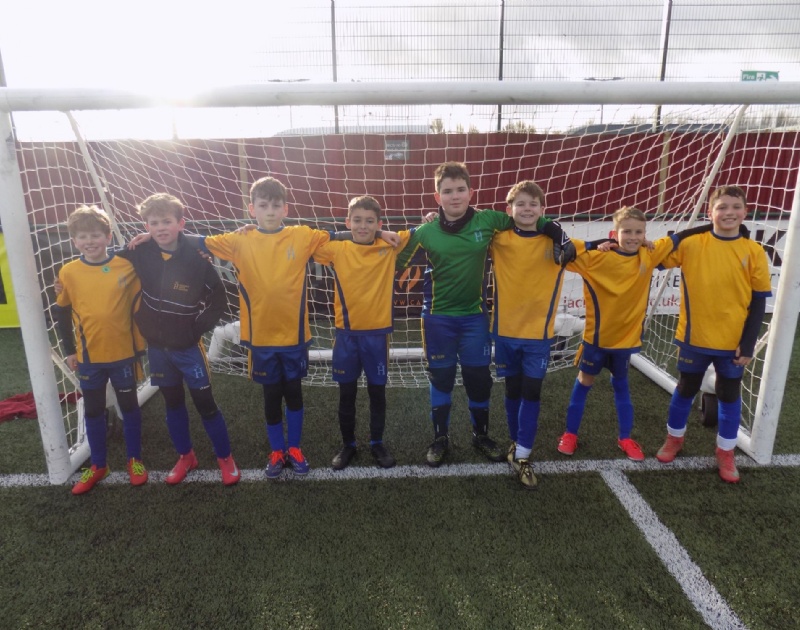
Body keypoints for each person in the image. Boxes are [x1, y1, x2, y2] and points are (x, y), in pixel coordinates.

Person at [201, 177, 396, 478]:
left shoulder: (302, 236)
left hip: (295, 337)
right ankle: (278, 450)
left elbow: (345, 232)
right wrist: (150, 237)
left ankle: (296, 448)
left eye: (275, 205)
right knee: (271, 396)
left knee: (294, 393)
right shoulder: (240, 240)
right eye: (263, 205)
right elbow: (197, 242)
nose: (270, 211)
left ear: (285, 208)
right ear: (252, 209)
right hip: (260, 340)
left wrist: (379, 231)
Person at [396, 161, 574, 467]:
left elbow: (529, 219)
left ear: (471, 192)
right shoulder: (425, 231)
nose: (455, 196)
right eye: (447, 191)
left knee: (479, 380)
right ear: (437, 197)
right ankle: (440, 438)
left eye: (460, 189)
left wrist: (559, 233)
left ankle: (481, 435)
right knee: (441, 379)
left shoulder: (489, 220)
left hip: (474, 319)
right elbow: (394, 259)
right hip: (438, 319)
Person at [655, 186, 771, 483]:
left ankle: (725, 451)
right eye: (721, 207)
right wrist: (685, 233)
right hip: (694, 338)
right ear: (710, 212)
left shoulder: (754, 251)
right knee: (685, 388)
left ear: (745, 212)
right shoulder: (693, 243)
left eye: (735, 207)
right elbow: (655, 258)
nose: (729, 212)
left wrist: (748, 343)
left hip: (732, 342)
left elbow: (759, 301)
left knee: (729, 394)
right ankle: (674, 438)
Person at [122, 193, 239, 486]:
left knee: (206, 404)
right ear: (146, 226)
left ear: (180, 223)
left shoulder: (196, 259)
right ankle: (186, 456)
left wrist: (195, 329)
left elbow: (219, 297)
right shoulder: (139, 251)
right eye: (154, 223)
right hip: (157, 349)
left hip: (188, 348)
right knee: (173, 404)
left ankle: (225, 458)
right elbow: (102, 260)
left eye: (166, 221)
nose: (160, 228)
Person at [556, 206, 688, 462]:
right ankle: (570, 434)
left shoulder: (649, 254)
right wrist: (593, 245)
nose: (633, 237)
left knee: (622, 387)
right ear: (614, 233)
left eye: (639, 232)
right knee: (584, 383)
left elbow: (678, 238)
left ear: (645, 234)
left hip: (625, 343)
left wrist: (716, 227)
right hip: (596, 340)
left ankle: (625, 438)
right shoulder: (596, 258)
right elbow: (564, 251)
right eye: (626, 231)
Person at [312, 195, 414, 470]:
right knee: (346, 394)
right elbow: (309, 241)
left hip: (377, 337)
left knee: (377, 393)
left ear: (379, 223)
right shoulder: (337, 249)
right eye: (357, 220)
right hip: (346, 336)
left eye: (370, 222)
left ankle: (377, 443)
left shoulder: (389, 245)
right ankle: (348, 445)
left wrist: (383, 235)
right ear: (347, 222)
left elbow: (420, 232)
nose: (363, 226)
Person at [54, 205, 147, 495]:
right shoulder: (68, 272)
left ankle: (135, 460)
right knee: (93, 410)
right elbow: (61, 312)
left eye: (95, 235)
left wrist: (145, 237)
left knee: (129, 407)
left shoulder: (127, 265)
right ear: (74, 241)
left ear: (108, 237)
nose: (89, 241)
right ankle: (98, 465)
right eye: (82, 237)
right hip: (89, 358)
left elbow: (155, 256)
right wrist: (69, 350)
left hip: (123, 355)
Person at [489, 181, 567, 488]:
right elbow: (467, 227)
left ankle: (523, 453)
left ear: (542, 209)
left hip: (538, 336)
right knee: (512, 390)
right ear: (509, 210)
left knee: (532, 392)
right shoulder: (498, 238)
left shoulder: (557, 243)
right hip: (505, 333)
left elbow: (585, 251)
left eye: (533, 204)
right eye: (520, 204)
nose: (527, 209)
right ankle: (515, 442)